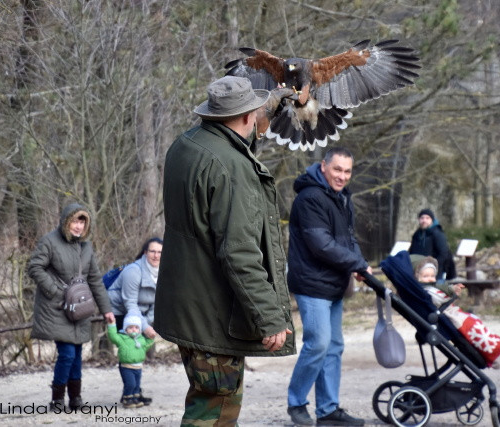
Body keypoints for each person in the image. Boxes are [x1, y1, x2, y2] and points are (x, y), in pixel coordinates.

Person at [153, 75, 296, 426]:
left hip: (186, 305)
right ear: (248, 116)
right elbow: (239, 252)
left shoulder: (184, 145)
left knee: (205, 399)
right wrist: (270, 316)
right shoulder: (231, 168)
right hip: (212, 314)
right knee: (215, 408)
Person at [286, 147, 371, 426]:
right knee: (318, 344)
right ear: (323, 167)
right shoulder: (310, 198)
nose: (342, 176)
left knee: (333, 347)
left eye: (347, 171)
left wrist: (358, 264)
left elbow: (348, 239)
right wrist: (355, 264)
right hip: (311, 284)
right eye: (337, 169)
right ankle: (297, 403)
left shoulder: (342, 198)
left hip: (333, 283)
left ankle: (328, 411)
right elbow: (320, 245)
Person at [28, 203, 115, 411]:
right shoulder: (49, 241)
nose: (78, 227)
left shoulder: (86, 247)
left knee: (76, 354)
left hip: (80, 307)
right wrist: (55, 291)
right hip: (56, 308)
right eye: (75, 221)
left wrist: (106, 309)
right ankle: (57, 398)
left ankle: (75, 398)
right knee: (67, 353)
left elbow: (94, 280)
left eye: (82, 223)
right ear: (67, 221)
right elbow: (34, 267)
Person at [415, 256, 500, 368]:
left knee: (475, 323)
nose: (430, 279)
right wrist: (450, 294)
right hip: (450, 316)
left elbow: (442, 289)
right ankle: (495, 349)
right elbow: (439, 297)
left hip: (449, 313)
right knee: (473, 327)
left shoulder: (429, 288)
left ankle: (495, 345)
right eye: (425, 276)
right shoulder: (427, 291)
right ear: (416, 277)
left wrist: (452, 289)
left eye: (432, 276)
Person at [108, 237, 162, 338]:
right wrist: (145, 327)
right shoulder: (133, 271)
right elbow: (130, 303)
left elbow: (158, 304)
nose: (156, 256)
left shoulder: (164, 274)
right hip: (121, 312)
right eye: (152, 251)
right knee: (130, 349)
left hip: (142, 313)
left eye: (160, 252)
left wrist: (147, 324)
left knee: (143, 345)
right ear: (145, 252)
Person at [106, 310, 155, 408]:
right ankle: (127, 399)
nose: (134, 330)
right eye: (131, 327)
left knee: (137, 384)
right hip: (127, 367)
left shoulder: (141, 340)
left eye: (136, 328)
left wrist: (152, 337)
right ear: (125, 329)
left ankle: (135, 398)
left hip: (138, 367)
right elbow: (113, 336)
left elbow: (147, 345)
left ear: (140, 330)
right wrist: (111, 325)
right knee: (130, 384)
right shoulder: (122, 339)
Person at [409, 208, 456, 282]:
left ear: (432, 220)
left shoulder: (437, 233)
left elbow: (444, 253)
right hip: (419, 273)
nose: (424, 220)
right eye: (422, 218)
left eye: (427, 218)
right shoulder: (417, 235)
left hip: (436, 273)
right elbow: (412, 253)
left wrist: (433, 267)